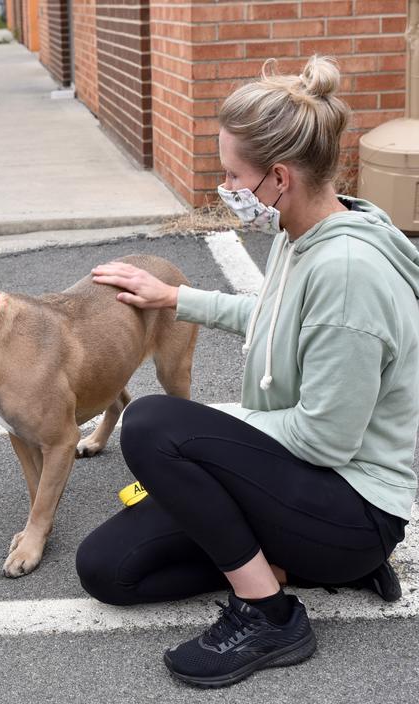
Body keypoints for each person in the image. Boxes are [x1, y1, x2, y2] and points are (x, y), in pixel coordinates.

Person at [76, 55, 419, 688]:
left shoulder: (347, 273)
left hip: (352, 503)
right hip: (306, 482)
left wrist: (212, 440)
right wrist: (173, 298)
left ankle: (270, 614)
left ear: (279, 178)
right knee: (108, 569)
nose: (226, 188)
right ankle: (293, 565)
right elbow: (274, 315)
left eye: (234, 176)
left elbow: (327, 438)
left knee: (152, 424)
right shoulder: (305, 228)